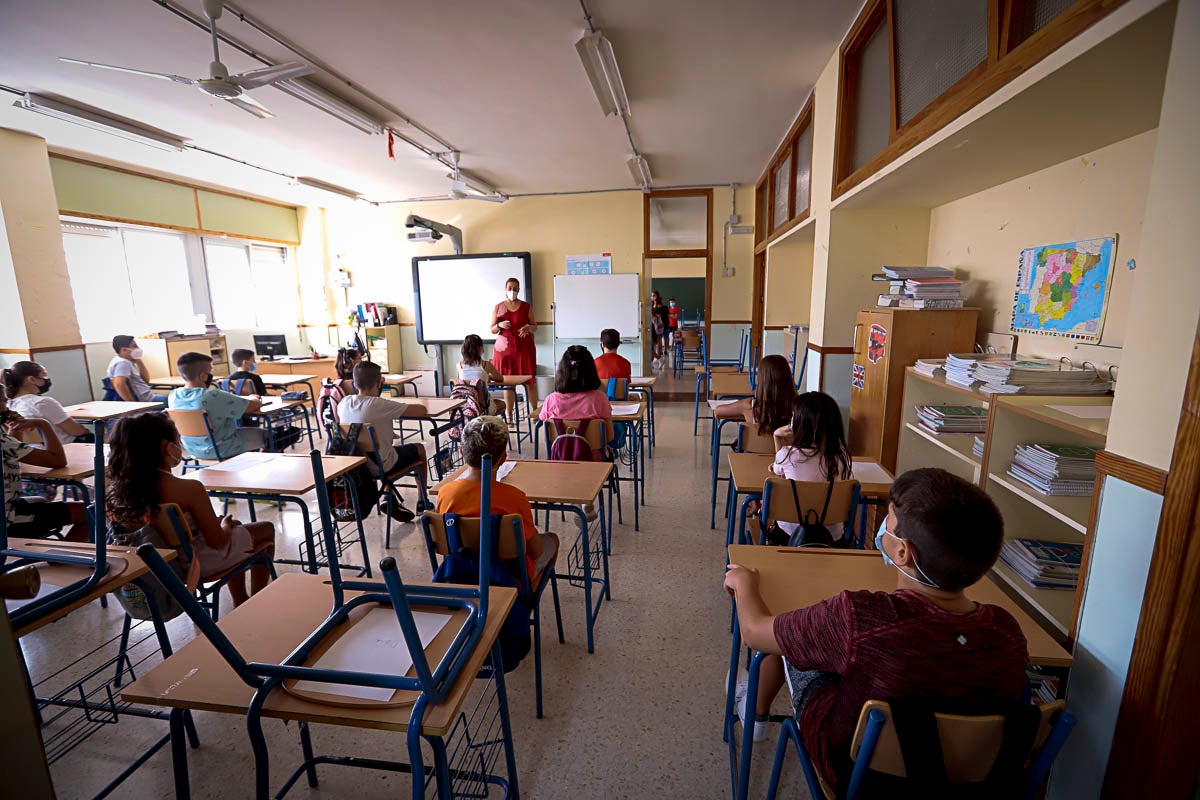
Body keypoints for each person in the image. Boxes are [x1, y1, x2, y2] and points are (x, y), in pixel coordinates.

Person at [723, 468, 1028, 791]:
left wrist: (744, 584)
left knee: (799, 647)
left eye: (890, 522)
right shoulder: (1007, 633)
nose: (884, 526)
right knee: (853, 653)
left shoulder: (859, 617)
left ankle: (753, 708)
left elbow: (755, 631)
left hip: (858, 773)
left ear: (903, 552)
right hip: (974, 782)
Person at [106, 412, 276, 606]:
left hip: (154, 568)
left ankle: (241, 600)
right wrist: (226, 524)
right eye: (178, 440)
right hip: (194, 565)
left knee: (236, 532)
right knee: (264, 529)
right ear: (168, 448)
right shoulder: (189, 489)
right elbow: (218, 542)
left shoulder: (115, 492)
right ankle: (253, 602)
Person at [435, 415, 557, 584]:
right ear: (503, 458)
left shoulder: (445, 493)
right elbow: (536, 551)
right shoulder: (515, 498)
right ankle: (527, 598)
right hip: (508, 577)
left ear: (462, 452)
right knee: (552, 539)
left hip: (460, 573)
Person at [336, 361, 428, 521]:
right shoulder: (379, 404)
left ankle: (389, 497)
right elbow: (421, 411)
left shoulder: (343, 403)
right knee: (419, 449)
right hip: (380, 466)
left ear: (354, 383)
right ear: (380, 382)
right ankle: (423, 501)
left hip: (355, 467)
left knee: (388, 451)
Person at [1, 383, 89, 540]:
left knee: (40, 501)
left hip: (10, 507)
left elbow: (11, 450)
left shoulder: (5, 442)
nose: (6, 406)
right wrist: (44, 424)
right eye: (2, 401)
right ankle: (63, 560)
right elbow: (58, 460)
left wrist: (15, 426)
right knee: (90, 512)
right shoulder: (3, 443)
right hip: (8, 520)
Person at [770, 391, 853, 540]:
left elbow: (778, 474)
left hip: (791, 535)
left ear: (800, 424)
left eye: (794, 416)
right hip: (832, 537)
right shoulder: (842, 457)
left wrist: (776, 436)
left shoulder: (788, 455)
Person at [167, 352, 265, 460]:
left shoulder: (173, 396)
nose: (212, 374)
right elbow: (253, 406)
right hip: (222, 447)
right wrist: (254, 398)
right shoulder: (212, 396)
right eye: (211, 370)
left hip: (191, 449)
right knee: (269, 435)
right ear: (203, 376)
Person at [538, 345, 612, 461]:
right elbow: (609, 436)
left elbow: (546, 439)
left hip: (560, 460)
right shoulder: (600, 399)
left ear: (562, 371)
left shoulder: (550, 400)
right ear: (591, 371)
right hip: (594, 463)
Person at [3, 361, 94, 443]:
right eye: (44, 375)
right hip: (64, 448)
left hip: (33, 452)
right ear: (32, 379)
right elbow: (77, 431)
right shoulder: (42, 402)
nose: (47, 379)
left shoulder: (7, 404)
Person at [490, 276, 539, 420]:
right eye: (510, 288)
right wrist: (499, 325)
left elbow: (535, 326)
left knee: (530, 381)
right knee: (508, 383)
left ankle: (535, 413)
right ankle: (509, 416)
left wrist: (528, 328)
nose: (512, 291)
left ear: (519, 290)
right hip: (505, 352)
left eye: (515, 288)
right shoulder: (498, 307)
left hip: (524, 349)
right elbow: (492, 329)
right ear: (505, 289)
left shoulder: (526, 306)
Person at [715, 354, 795, 436]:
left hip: (756, 449)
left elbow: (717, 411)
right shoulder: (799, 407)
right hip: (787, 449)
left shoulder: (749, 406)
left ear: (761, 379)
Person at [106, 334, 168, 403]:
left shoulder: (125, 361)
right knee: (178, 400)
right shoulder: (123, 363)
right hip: (147, 401)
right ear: (124, 350)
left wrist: (139, 362)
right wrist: (133, 405)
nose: (138, 348)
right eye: (135, 346)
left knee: (175, 397)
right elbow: (119, 384)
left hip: (148, 397)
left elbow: (146, 381)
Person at [457, 334, 506, 416]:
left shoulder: (459, 366)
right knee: (502, 403)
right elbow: (499, 378)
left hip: (464, 408)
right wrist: (487, 376)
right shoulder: (486, 365)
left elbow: (461, 383)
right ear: (480, 348)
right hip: (483, 407)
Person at [650, 291, 670, 361]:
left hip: (659, 327)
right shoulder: (650, 306)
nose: (653, 297)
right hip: (651, 327)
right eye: (652, 296)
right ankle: (652, 360)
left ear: (658, 297)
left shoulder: (663, 307)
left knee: (658, 342)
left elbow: (665, 318)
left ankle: (659, 357)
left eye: (654, 296)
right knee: (651, 345)